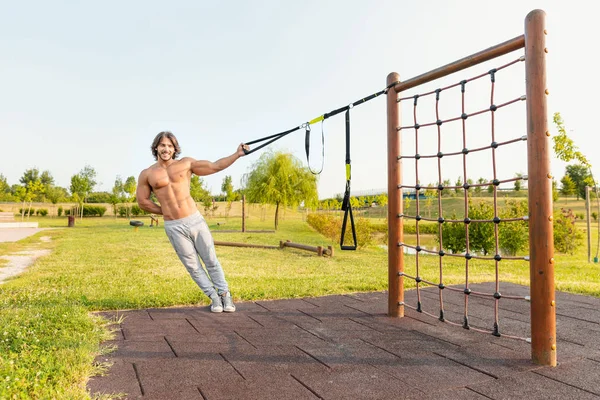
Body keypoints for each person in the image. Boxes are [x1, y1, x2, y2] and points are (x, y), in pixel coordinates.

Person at [136, 131, 248, 313]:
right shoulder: (147, 174)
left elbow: (215, 166)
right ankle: (214, 297)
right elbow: (143, 201)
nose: (166, 149)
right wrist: (164, 210)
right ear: (156, 147)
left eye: (170, 146)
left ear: (175, 149)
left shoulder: (186, 164)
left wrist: (237, 154)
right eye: (163, 145)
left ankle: (225, 294)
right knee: (193, 266)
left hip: (194, 220)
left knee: (210, 259)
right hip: (173, 226)